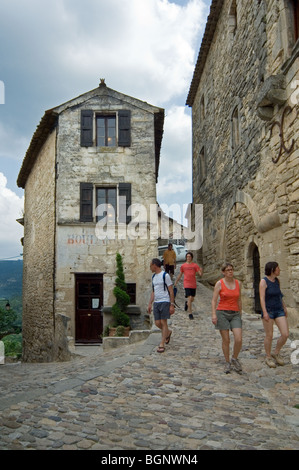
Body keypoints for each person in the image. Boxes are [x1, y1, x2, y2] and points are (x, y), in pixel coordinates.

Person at [211, 263, 243, 374]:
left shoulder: (238, 283)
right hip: (222, 313)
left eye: (231, 270)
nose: (230, 271)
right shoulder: (219, 284)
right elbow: (214, 300)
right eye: (228, 270)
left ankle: (234, 358)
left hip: (235, 313)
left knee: (238, 338)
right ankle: (227, 361)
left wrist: (240, 312)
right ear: (223, 272)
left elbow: (239, 299)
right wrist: (214, 314)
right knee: (226, 340)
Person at [259, 261, 289, 368]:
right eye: (278, 268)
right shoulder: (264, 281)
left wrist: (284, 307)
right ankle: (268, 356)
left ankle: (276, 352)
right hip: (269, 311)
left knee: (285, 334)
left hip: (279, 310)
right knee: (269, 335)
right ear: (272, 270)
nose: (279, 270)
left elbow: (279, 295)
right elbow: (262, 298)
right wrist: (265, 312)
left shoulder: (277, 281)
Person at [148, 258, 175, 353]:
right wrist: (150, 303)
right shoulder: (153, 277)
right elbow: (153, 291)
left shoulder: (165, 275)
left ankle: (162, 343)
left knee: (163, 323)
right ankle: (167, 332)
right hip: (157, 302)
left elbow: (171, 290)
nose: (150, 267)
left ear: (154, 265)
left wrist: (171, 304)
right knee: (157, 323)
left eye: (150, 265)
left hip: (165, 301)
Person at [174, 252, 202, 320]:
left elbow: (200, 274)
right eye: (187, 256)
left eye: (189, 256)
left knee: (192, 299)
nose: (188, 258)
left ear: (191, 257)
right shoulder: (183, 266)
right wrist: (176, 281)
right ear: (186, 257)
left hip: (193, 284)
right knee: (189, 297)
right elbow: (180, 274)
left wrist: (201, 270)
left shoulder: (195, 265)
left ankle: (187, 303)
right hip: (186, 283)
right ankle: (190, 313)